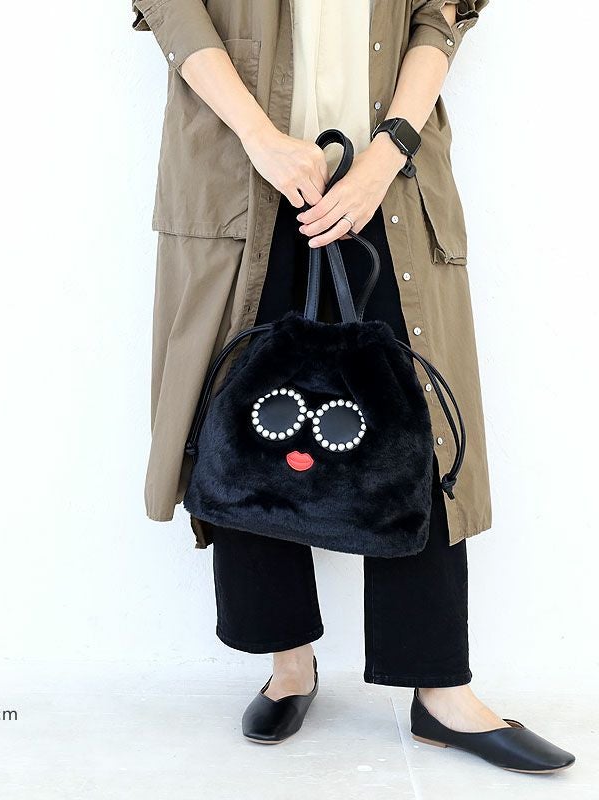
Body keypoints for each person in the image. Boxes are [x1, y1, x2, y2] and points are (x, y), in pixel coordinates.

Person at [132, 0, 575, 773]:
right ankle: (288, 663)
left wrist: (387, 153)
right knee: (249, 422)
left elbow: (441, 13)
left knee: (415, 424)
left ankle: (441, 691)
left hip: (386, 181)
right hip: (243, 173)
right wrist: (261, 138)